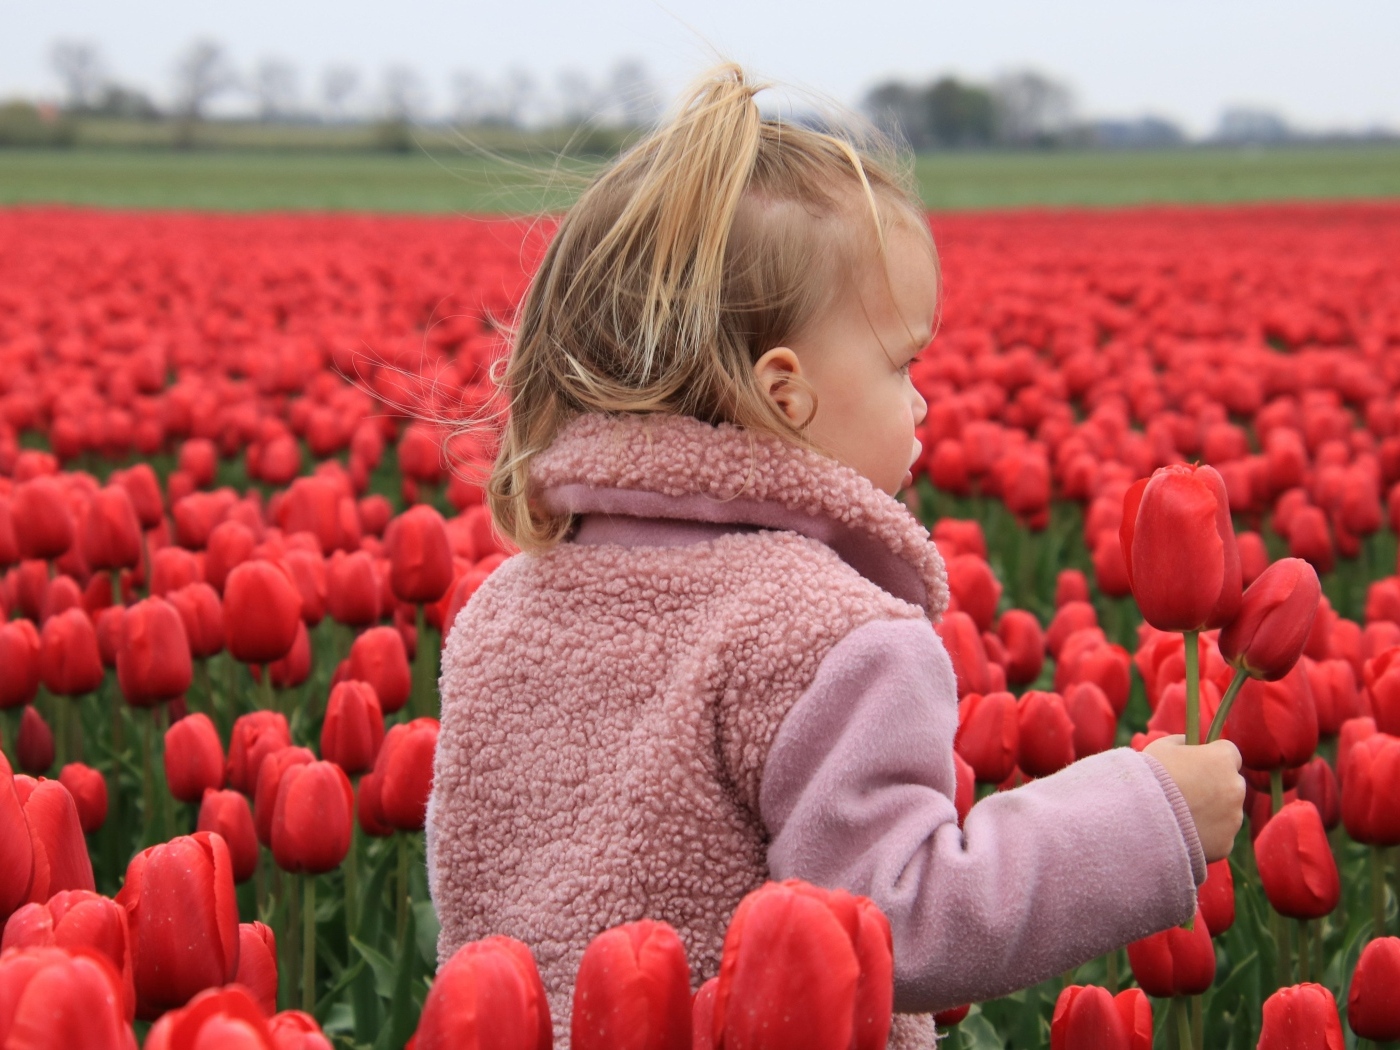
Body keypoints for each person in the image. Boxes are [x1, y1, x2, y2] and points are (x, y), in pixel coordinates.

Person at [425, 61, 1245, 1047]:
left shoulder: (502, 608)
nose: (921, 402)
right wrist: (1143, 818)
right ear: (785, 393)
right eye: (901, 363)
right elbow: (893, 917)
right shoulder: (828, 635)